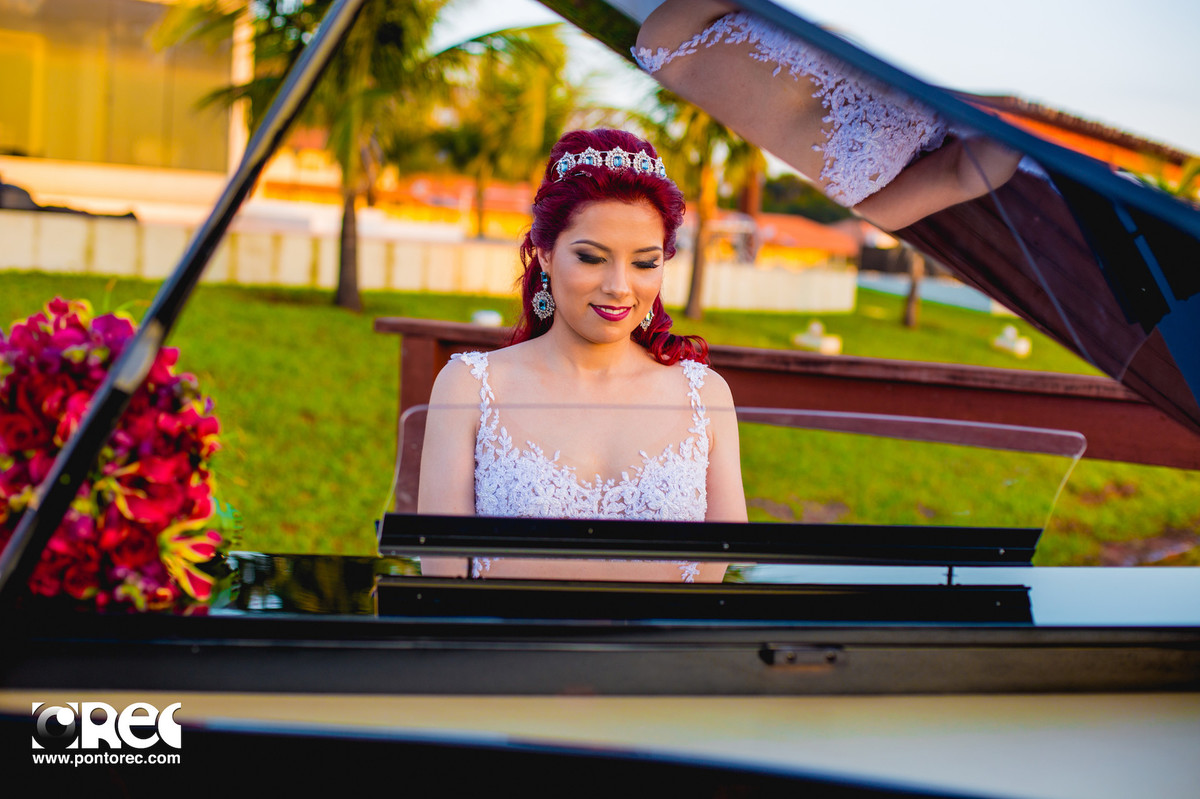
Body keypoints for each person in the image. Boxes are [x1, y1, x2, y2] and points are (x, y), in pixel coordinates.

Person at [418, 128, 747, 582]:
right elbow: (442, 578)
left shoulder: (705, 395)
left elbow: (716, 579)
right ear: (546, 254)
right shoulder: (470, 387)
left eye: (645, 263)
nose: (619, 286)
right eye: (592, 258)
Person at [634, 0, 1022, 231]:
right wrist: (1020, 119)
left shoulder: (667, 48)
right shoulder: (879, 209)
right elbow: (964, 175)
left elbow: (963, 176)